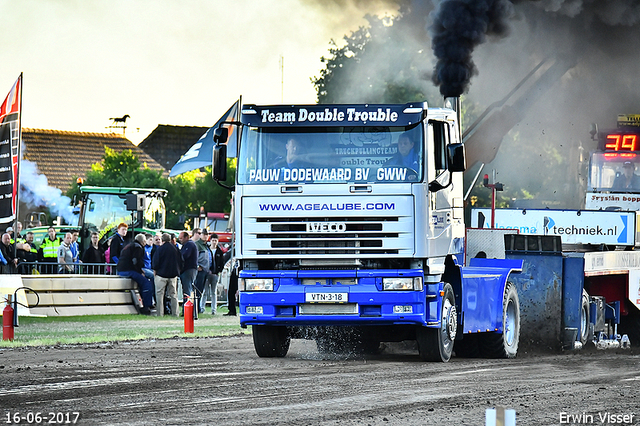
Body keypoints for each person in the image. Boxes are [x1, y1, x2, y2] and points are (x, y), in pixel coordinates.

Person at [117, 233, 154, 315]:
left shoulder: (129, 245)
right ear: (143, 241)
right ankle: (147, 306)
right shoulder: (138, 247)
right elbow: (136, 261)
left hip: (121, 270)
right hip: (129, 270)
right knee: (146, 284)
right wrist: (140, 272)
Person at [152, 233, 183, 317]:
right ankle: (175, 313)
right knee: (173, 295)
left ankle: (160, 313)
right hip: (173, 275)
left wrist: (155, 271)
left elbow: (156, 262)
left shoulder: (160, 249)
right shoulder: (176, 249)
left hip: (161, 275)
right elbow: (181, 261)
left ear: (162, 240)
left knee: (160, 294)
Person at [201, 231, 225, 315]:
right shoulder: (206, 250)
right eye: (213, 240)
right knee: (204, 291)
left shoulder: (219, 252)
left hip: (215, 274)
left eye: (215, 240)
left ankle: (213, 309)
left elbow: (222, 263)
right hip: (207, 273)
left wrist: (218, 271)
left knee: (214, 292)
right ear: (210, 241)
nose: (214, 242)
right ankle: (202, 308)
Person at [178, 230, 198, 315]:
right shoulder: (189, 244)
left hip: (188, 270)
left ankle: (188, 311)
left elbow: (184, 256)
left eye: (181, 238)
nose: (180, 240)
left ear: (186, 237)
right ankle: (190, 310)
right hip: (189, 270)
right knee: (189, 289)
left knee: (187, 290)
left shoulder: (189, 245)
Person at [192, 228, 210, 314]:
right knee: (197, 290)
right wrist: (197, 266)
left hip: (205, 270)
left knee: (201, 290)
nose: (206, 236)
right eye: (204, 234)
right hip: (200, 270)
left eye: (207, 235)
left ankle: (198, 307)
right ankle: (196, 307)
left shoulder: (206, 245)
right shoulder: (197, 244)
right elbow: (194, 257)